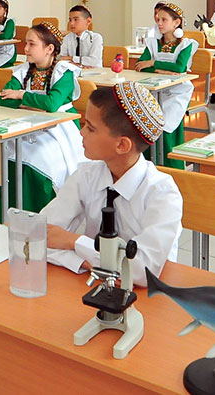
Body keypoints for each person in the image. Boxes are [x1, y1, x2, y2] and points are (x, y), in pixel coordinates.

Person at [43, 82, 183, 287]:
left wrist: (74, 242)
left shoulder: (162, 194)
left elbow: (142, 271)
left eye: (90, 128)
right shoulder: (87, 175)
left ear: (121, 145)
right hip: (91, 285)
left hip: (149, 300)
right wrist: (86, 262)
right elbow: (42, 233)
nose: (81, 133)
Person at [0, 22, 86, 220]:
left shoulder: (65, 72)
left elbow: (52, 104)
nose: (25, 49)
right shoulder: (24, 70)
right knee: (4, 157)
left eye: (31, 44)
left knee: (40, 159)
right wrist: (31, 103)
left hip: (59, 130)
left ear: (49, 49)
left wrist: (20, 96)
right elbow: (1, 99)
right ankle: (8, 218)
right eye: (26, 43)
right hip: (25, 126)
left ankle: (43, 219)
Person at [134, 2, 198, 168]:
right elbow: (140, 66)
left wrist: (153, 63)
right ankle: (150, 164)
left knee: (166, 122)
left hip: (177, 91)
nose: (159, 23)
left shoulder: (186, 44)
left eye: (164, 19)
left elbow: (180, 68)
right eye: (158, 19)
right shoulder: (153, 43)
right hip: (153, 90)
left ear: (176, 23)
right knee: (144, 120)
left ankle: (171, 166)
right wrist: (161, 69)